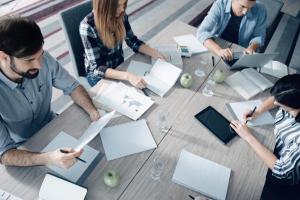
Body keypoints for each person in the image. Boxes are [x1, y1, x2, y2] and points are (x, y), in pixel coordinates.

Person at [0, 16, 101, 169]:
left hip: (52, 124)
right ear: (3, 57)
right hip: (22, 148)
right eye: (29, 60)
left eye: (40, 55)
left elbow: (73, 87)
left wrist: (93, 112)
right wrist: (49, 158)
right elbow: (5, 154)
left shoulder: (41, 58)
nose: (39, 65)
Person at [230, 74, 300, 191]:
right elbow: (277, 98)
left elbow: (282, 172)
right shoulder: (295, 95)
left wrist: (248, 137)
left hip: (278, 168)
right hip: (272, 141)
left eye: (281, 104)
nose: (276, 103)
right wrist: (258, 110)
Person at [80, 0, 165, 87]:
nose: (122, 9)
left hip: (120, 66)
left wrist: (155, 53)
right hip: (99, 77)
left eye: (124, 4)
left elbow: (132, 41)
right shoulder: (87, 26)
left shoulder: (120, 15)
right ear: (104, 6)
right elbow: (97, 68)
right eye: (117, 6)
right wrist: (128, 76)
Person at [197, 0, 267, 61]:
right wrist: (219, 50)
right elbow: (202, 32)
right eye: (243, 6)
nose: (245, 12)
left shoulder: (261, 10)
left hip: (241, 52)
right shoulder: (220, 4)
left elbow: (259, 36)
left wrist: (252, 47)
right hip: (217, 46)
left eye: (250, 7)